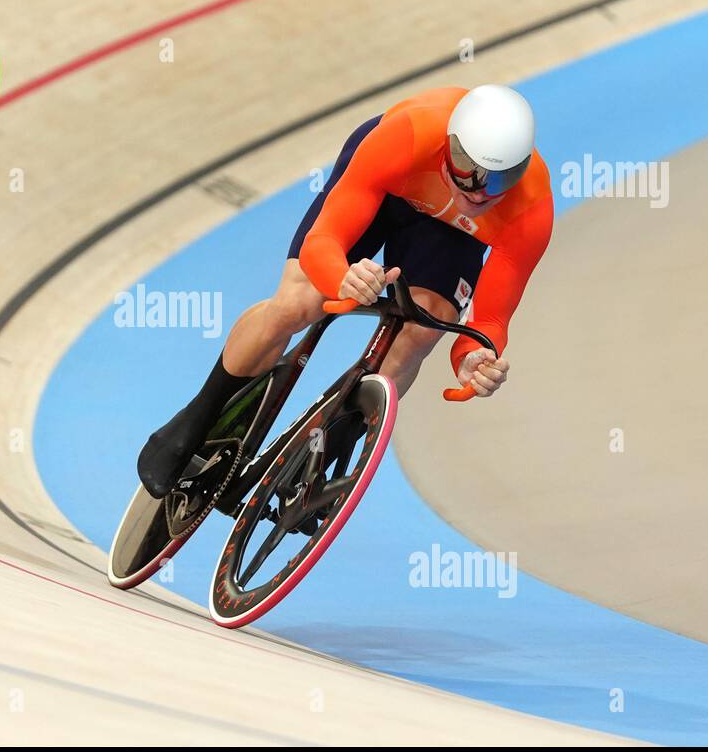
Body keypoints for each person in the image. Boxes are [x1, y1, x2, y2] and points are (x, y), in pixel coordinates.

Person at [137, 84, 554, 498]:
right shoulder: (405, 136)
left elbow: (490, 322)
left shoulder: (530, 209)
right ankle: (197, 417)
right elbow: (325, 241)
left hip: (450, 237)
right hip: (389, 189)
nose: (478, 189)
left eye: (499, 178)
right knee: (299, 303)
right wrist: (341, 276)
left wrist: (472, 357)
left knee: (423, 328)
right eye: (467, 167)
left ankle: (337, 442)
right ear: (448, 146)